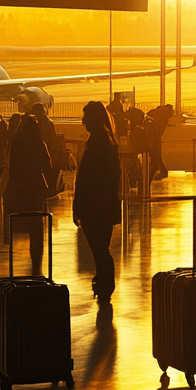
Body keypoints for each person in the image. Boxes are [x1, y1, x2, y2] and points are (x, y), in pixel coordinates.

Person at [74, 101, 122, 303]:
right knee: (100, 246)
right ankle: (103, 281)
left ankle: (106, 282)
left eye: (86, 117)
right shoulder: (105, 141)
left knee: (99, 248)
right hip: (102, 205)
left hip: (95, 206)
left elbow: (88, 179)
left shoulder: (98, 144)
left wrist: (80, 205)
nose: (83, 121)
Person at [6, 115, 53, 274]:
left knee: (19, 221)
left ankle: (13, 260)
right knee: (36, 225)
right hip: (36, 187)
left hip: (20, 188)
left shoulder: (16, 143)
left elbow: (12, 166)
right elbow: (47, 163)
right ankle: (36, 258)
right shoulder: (38, 142)